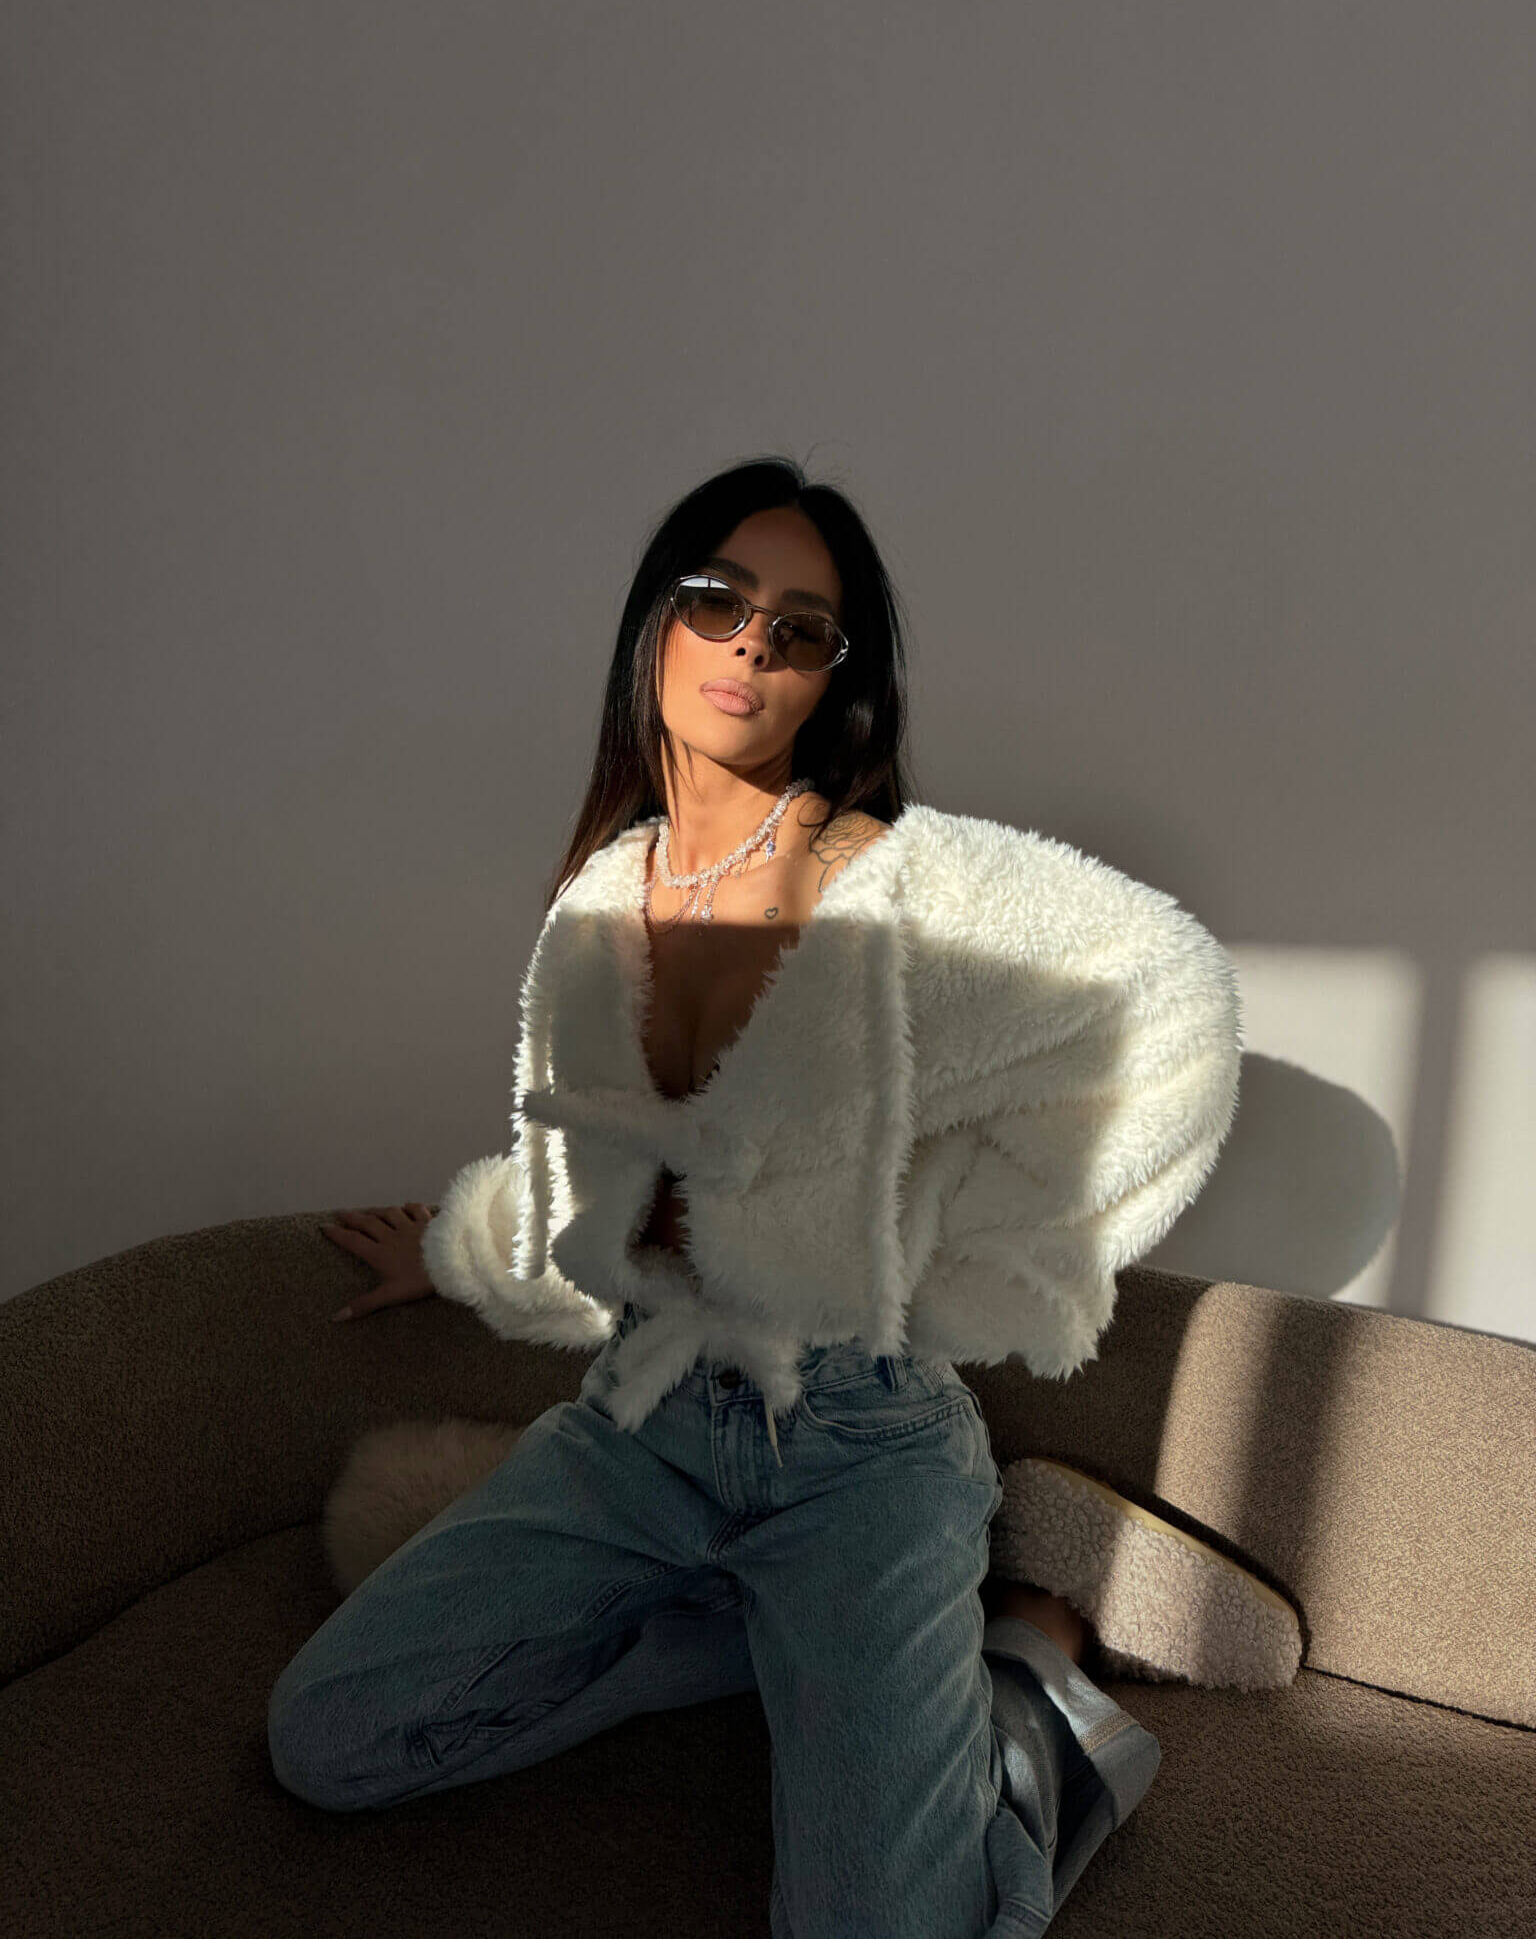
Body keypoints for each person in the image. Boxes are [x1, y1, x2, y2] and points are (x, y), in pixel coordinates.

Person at [275, 456, 1242, 1936]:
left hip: (858, 1449)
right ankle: (751, 1638)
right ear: (655, 621)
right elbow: (594, 1182)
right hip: (641, 1426)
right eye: (718, 600)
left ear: (833, 679)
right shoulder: (599, 899)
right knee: (330, 1742)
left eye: (799, 629)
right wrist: (463, 1251)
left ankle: (1031, 1703)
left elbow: (1173, 1003)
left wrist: (957, 1273)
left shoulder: (908, 889)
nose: (749, 645)